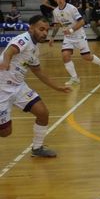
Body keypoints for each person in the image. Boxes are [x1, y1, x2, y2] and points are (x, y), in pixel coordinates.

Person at [0, 15, 72, 157]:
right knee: (5, 133)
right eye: (41, 29)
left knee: (43, 113)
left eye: (46, 30)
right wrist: (6, 62)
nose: (45, 33)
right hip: (2, 88)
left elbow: (38, 71)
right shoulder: (24, 40)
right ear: (31, 28)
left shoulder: (35, 49)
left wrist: (57, 87)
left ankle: (37, 148)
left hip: (19, 87)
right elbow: (10, 51)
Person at [49, 0, 100, 86]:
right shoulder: (55, 11)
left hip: (79, 35)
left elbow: (82, 22)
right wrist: (52, 37)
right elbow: (57, 25)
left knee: (86, 57)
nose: (60, 0)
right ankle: (74, 78)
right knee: (65, 55)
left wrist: (71, 30)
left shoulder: (72, 8)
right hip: (68, 37)